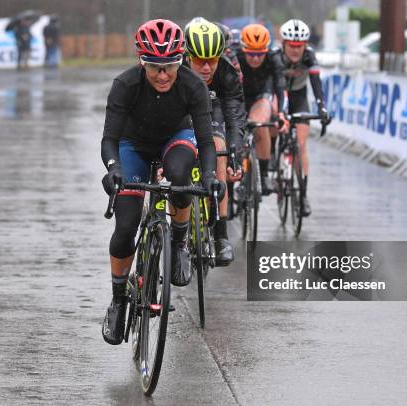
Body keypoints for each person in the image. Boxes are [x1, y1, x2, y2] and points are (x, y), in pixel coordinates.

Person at [100, 19, 222, 345]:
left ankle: (179, 243)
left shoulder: (193, 85)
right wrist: (113, 169)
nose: (164, 75)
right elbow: (110, 139)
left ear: (180, 61)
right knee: (125, 224)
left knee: (182, 178)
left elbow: (207, 142)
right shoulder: (125, 85)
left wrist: (210, 176)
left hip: (175, 139)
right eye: (155, 67)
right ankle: (118, 299)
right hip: (132, 146)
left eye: (170, 66)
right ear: (142, 61)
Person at [184, 20, 245, 266]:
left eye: (212, 60)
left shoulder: (228, 73)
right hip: (185, 108)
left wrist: (235, 155)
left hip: (215, 108)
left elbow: (234, 118)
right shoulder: (176, 69)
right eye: (199, 61)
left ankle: (221, 235)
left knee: (219, 149)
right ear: (187, 55)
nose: (207, 67)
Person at [279, 19, 331, 217]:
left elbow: (316, 83)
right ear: (284, 44)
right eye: (291, 46)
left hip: (299, 98)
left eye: (299, 46)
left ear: (305, 46)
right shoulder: (277, 56)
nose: (295, 50)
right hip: (279, 94)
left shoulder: (309, 55)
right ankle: (274, 162)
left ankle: (303, 195)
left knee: (301, 145)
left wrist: (321, 107)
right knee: (274, 127)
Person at [236, 23, 289, 195]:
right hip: (239, 96)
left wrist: (281, 112)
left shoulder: (273, 57)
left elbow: (281, 87)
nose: (256, 59)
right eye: (251, 53)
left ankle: (264, 173)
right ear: (244, 49)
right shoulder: (235, 55)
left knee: (259, 125)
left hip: (261, 95)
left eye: (260, 54)